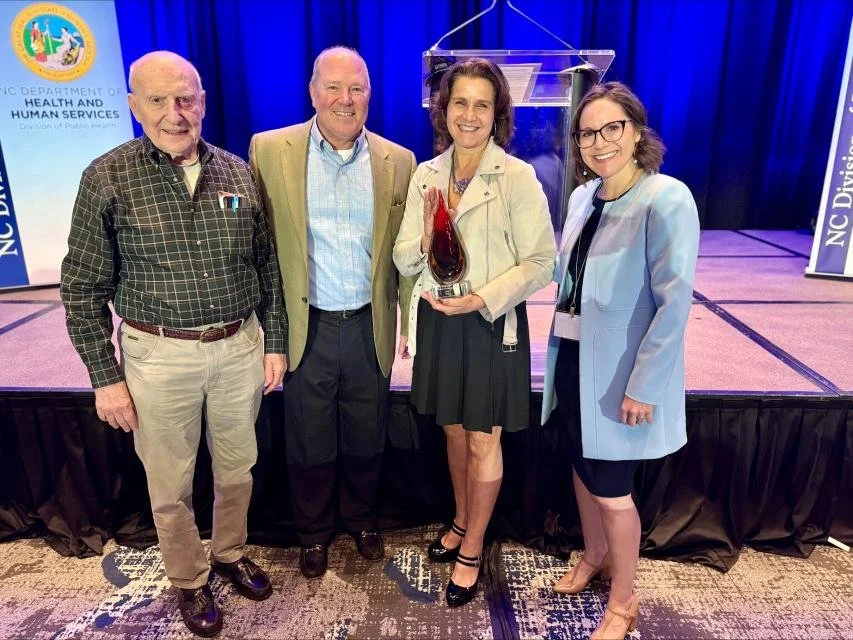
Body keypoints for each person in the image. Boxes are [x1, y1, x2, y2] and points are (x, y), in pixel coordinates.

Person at [60, 51, 286, 638]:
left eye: (185, 98)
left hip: (239, 347)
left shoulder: (238, 171)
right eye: (157, 101)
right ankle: (189, 579)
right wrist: (104, 377)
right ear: (134, 106)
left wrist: (274, 342)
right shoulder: (106, 177)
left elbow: (267, 266)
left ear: (203, 101)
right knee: (170, 483)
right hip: (157, 358)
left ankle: (231, 554)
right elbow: (82, 287)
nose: (174, 113)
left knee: (239, 469)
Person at [249, 46, 416, 580]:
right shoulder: (270, 150)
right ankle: (313, 533)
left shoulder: (400, 160)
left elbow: (405, 256)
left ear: (370, 94)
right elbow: (259, 248)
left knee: (367, 432)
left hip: (370, 323)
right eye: (334, 88)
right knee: (308, 436)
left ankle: (363, 521)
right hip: (307, 325)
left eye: (358, 88)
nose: (346, 100)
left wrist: (409, 324)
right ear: (313, 92)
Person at [393, 58, 556, 608]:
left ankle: (473, 549)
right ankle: (462, 521)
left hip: (488, 324)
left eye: (481, 104)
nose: (469, 114)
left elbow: (541, 262)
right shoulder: (426, 175)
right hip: (439, 321)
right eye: (459, 102)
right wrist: (425, 233)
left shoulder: (516, 177)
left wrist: (482, 298)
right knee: (455, 432)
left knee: (484, 437)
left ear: (497, 114)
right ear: (444, 110)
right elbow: (400, 256)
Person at [540, 81, 699, 639]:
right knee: (583, 469)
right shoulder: (585, 196)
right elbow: (567, 280)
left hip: (622, 372)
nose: (599, 141)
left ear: (636, 131)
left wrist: (644, 385)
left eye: (613, 128)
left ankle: (624, 601)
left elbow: (674, 303)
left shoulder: (666, 197)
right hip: (575, 358)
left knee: (611, 487)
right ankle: (594, 555)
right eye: (588, 132)